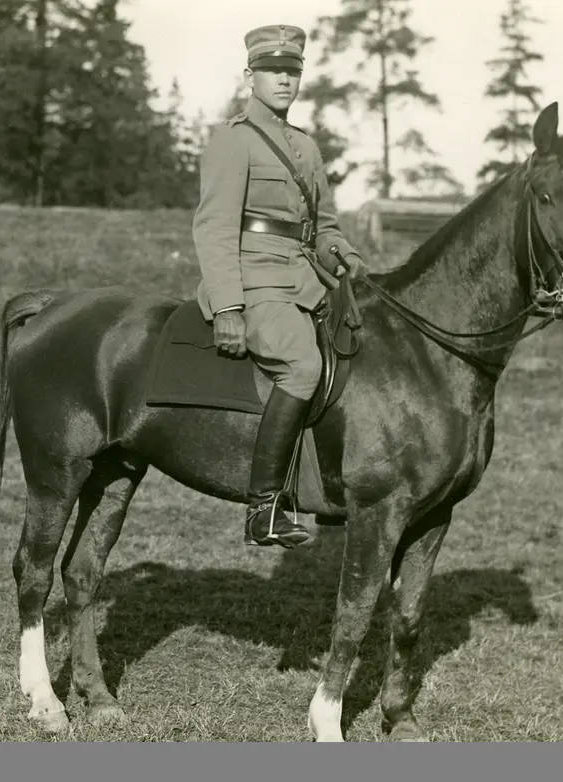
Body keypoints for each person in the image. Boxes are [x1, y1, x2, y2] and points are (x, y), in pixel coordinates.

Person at [192, 23, 365, 550]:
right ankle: (264, 507)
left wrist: (346, 255)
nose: (284, 79)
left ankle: (334, 485)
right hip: (255, 281)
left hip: (306, 279)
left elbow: (324, 226)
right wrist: (228, 307)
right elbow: (214, 228)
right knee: (303, 364)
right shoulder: (233, 140)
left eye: (292, 70)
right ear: (251, 75)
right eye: (272, 70)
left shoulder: (305, 146)